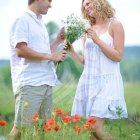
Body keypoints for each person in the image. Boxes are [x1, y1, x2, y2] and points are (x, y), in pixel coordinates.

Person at [69, 0, 128, 139]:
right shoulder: (88, 28)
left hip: (107, 82)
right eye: (84, 6)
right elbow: (85, 61)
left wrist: (98, 41)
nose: (86, 7)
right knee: (92, 135)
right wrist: (71, 51)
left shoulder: (115, 25)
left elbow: (118, 56)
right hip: (89, 82)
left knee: (93, 126)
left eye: (88, 3)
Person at [9, 0, 67, 139]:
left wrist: (58, 41)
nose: (51, 5)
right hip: (30, 83)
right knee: (20, 129)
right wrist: (51, 56)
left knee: (42, 129)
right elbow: (21, 50)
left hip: (45, 82)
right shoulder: (22, 19)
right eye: (49, 0)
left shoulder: (39, 22)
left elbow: (43, 52)